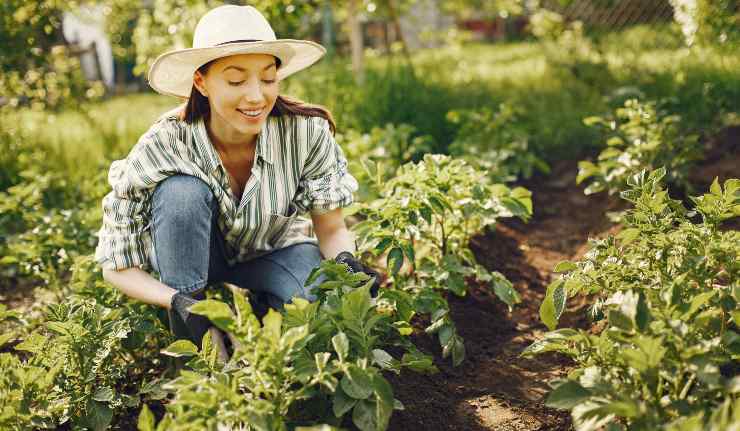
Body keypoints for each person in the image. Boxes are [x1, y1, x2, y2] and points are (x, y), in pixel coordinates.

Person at [95, 5, 379, 346]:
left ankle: (261, 308)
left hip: (272, 251)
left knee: (315, 310)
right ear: (201, 82)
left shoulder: (305, 134)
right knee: (180, 193)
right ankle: (197, 337)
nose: (256, 96)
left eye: (268, 77)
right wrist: (177, 301)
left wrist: (346, 262)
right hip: (191, 262)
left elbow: (331, 229)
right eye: (235, 80)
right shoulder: (167, 143)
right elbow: (116, 264)